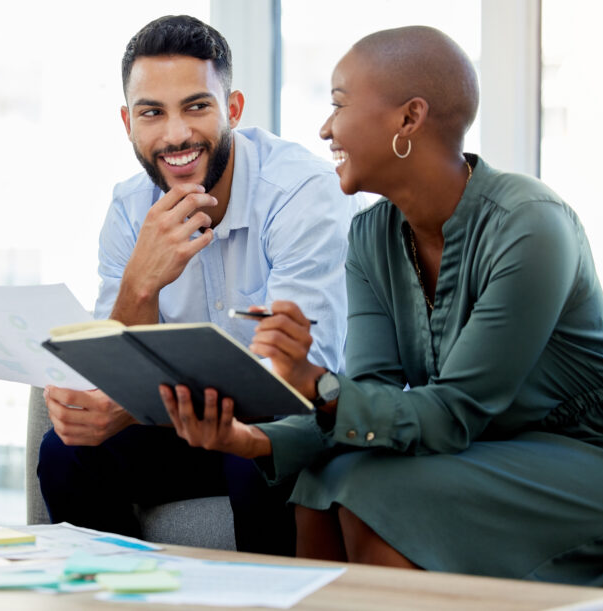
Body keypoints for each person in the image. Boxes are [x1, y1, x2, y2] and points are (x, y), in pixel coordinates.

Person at [162, 24, 603, 586]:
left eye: (339, 105)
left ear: (408, 119)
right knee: (325, 479)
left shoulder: (530, 224)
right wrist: (251, 440)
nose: (326, 128)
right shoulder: (372, 236)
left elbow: (451, 412)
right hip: (488, 448)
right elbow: (369, 398)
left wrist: (316, 380)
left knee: (373, 488)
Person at [36, 15, 361, 556]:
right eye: (152, 113)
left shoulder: (300, 193)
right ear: (128, 122)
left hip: (298, 424)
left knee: (251, 453)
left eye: (196, 106)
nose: (176, 135)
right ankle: (119, 596)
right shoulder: (127, 209)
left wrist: (139, 405)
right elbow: (116, 364)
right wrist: (140, 283)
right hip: (187, 429)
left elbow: (295, 377)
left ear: (231, 109)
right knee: (65, 453)